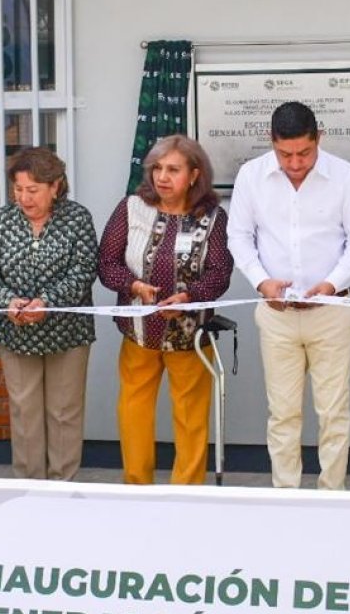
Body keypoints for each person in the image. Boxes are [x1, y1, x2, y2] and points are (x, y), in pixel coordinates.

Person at [228, 101, 350, 490]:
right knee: (282, 413)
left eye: (304, 153)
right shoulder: (251, 176)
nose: (295, 163)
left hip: (332, 309)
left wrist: (330, 284)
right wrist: (261, 281)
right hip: (275, 312)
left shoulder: (344, 177)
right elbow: (238, 237)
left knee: (333, 411)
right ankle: (286, 498)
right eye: (285, 154)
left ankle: (332, 495)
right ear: (271, 142)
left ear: (318, 139)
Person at [98, 135, 233, 485]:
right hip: (139, 333)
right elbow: (107, 262)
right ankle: (137, 488)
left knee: (191, 417)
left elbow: (220, 273)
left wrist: (188, 298)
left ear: (194, 174)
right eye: (157, 168)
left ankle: (186, 495)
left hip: (190, 336)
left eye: (173, 169)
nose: (162, 177)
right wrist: (133, 286)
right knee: (134, 412)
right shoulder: (131, 207)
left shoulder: (214, 218)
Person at [0, 147, 97, 481]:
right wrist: (9, 301)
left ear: (55, 186)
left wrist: (46, 301)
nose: (24, 198)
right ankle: (29, 488)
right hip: (15, 331)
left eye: (33, 190)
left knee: (64, 413)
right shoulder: (2, 219)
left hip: (67, 332)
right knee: (24, 412)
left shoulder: (77, 218)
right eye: (18, 190)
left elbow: (84, 271)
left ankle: (63, 487)